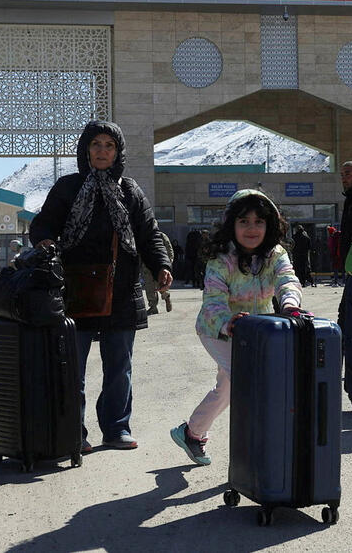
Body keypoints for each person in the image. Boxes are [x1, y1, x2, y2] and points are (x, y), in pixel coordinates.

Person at [29, 120, 172, 452]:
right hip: (74, 290)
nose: (103, 151)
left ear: (118, 151)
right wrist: (46, 241)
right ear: (86, 150)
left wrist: (162, 265)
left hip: (121, 291)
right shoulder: (67, 187)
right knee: (71, 368)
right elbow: (43, 224)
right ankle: (72, 432)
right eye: (96, 144)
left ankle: (116, 428)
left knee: (119, 367)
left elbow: (149, 234)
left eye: (110, 145)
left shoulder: (130, 191)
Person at [169, 189, 302, 466]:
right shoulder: (221, 259)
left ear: (270, 225)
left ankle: (192, 433)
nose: (251, 229)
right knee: (245, 380)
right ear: (232, 225)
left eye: (258, 222)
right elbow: (214, 301)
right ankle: (252, 452)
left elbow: (287, 280)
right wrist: (228, 322)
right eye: (243, 222)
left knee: (228, 387)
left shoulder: (275, 254)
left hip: (259, 329)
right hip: (219, 329)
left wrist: (289, 304)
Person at [142, 231, 174, 314]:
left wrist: (168, 262)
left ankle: (166, 296)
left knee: (160, 283)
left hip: (159, 264)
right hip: (146, 265)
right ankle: (153, 307)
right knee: (149, 286)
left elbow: (169, 249)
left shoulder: (161, 236)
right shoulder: (143, 236)